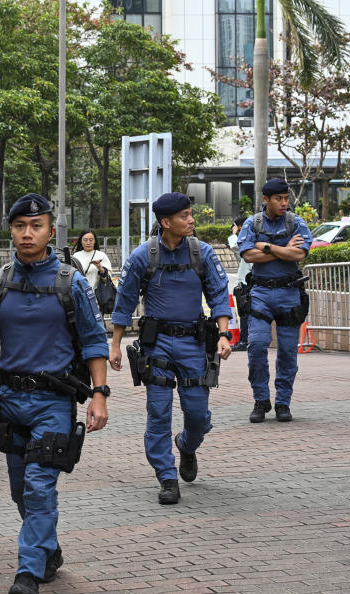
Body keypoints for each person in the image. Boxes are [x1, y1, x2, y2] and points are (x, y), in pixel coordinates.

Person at [0, 193, 109, 594]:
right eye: (19, 226)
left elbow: (94, 341)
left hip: (53, 402)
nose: (27, 234)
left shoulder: (72, 282)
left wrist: (99, 395)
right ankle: (48, 547)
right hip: (9, 402)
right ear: (11, 230)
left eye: (36, 226)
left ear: (50, 231)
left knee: (39, 485)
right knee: (20, 490)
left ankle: (27, 575)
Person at [109, 192, 232, 506]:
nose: (191, 220)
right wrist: (116, 344)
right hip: (158, 345)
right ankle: (166, 477)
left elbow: (219, 294)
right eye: (185, 216)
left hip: (193, 345)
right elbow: (124, 302)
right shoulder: (142, 256)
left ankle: (187, 446)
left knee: (198, 415)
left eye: (191, 214)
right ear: (166, 222)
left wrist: (223, 334)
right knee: (159, 413)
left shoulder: (202, 253)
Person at [237, 178, 312, 423]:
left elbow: (299, 254)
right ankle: (261, 400)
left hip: (289, 293)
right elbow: (249, 255)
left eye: (286, 198)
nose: (284, 203)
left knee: (288, 352)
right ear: (266, 200)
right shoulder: (253, 223)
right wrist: (283, 249)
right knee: (257, 346)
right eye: (279, 199)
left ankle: (283, 403)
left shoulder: (295, 222)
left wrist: (267, 247)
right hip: (259, 293)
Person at [228, 215, 252, 351]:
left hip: (247, 282)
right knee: (245, 313)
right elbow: (239, 255)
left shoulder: (248, 238)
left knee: (245, 313)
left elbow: (237, 248)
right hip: (245, 281)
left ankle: (244, 341)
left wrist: (233, 234)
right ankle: (244, 340)